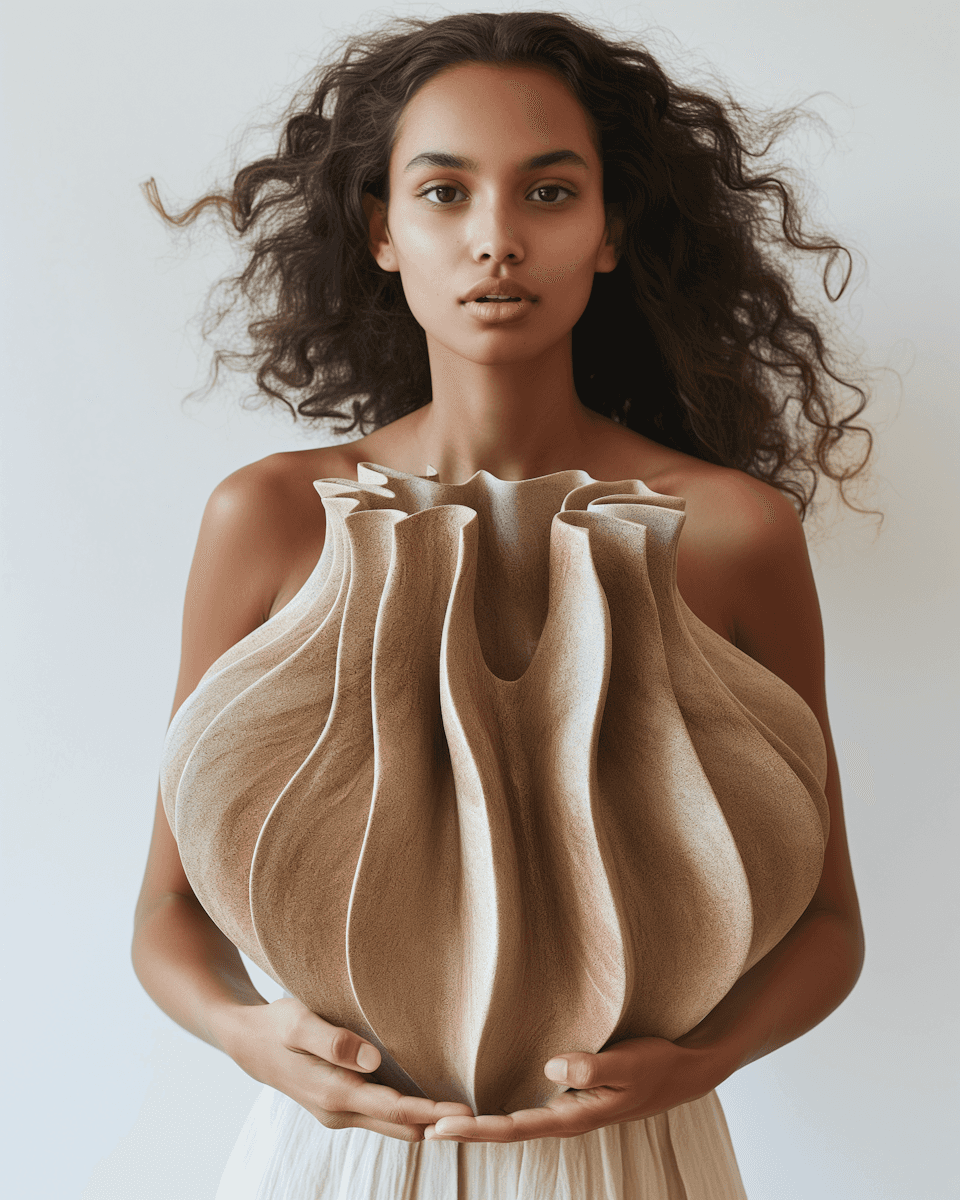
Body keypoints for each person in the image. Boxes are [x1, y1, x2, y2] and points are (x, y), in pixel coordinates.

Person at [133, 12, 868, 1198]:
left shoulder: (735, 532)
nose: (494, 242)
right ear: (381, 231)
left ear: (610, 229)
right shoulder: (268, 517)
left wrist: (702, 1064)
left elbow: (830, 921)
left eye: (547, 193)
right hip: (340, 1158)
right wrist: (247, 1038)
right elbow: (166, 910)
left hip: (633, 1160)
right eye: (443, 193)